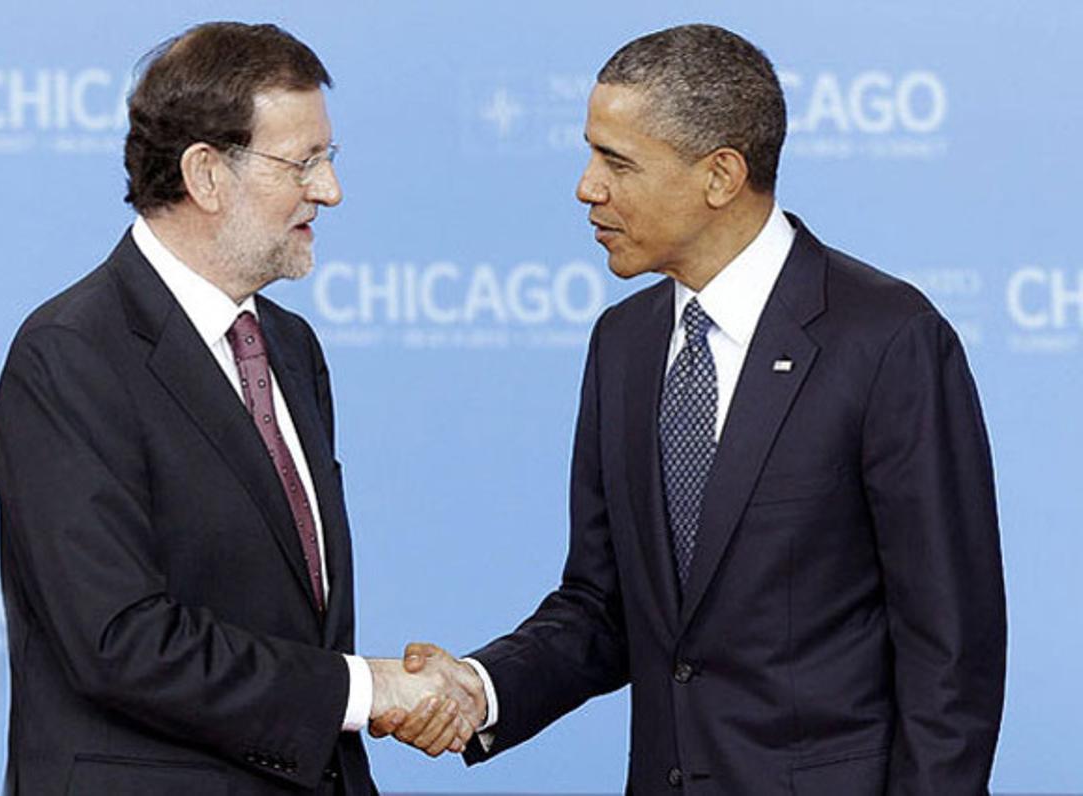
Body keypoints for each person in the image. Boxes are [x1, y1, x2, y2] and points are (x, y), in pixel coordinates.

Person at [375, 24, 1007, 795]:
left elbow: (952, 650)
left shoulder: (885, 340)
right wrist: (480, 689)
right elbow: (604, 607)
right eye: (590, 153)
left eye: (617, 161)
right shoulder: (625, 343)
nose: (587, 187)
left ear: (720, 176)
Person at [0, 22, 475, 796]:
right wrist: (363, 690)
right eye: (304, 162)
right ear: (207, 174)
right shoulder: (70, 354)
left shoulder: (289, 345)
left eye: (330, 158)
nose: (329, 189)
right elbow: (121, 640)